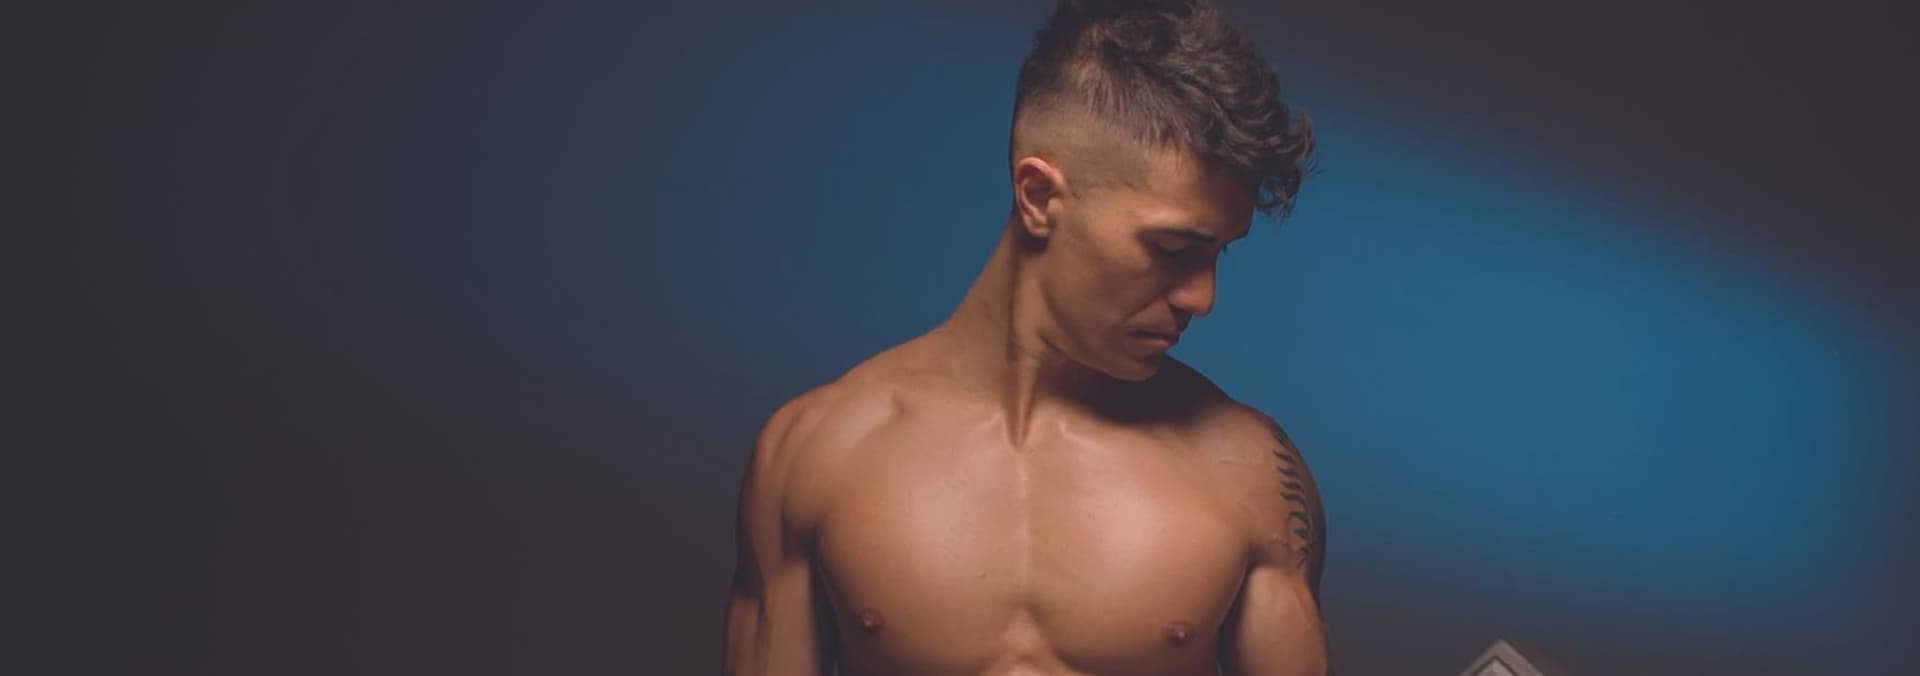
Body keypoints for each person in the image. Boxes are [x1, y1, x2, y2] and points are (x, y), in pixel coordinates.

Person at [724, 0, 1320, 674]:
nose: (1202, 299)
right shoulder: (818, 456)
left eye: (1218, 254)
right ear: (1038, 196)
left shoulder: (1250, 477)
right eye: (1173, 249)